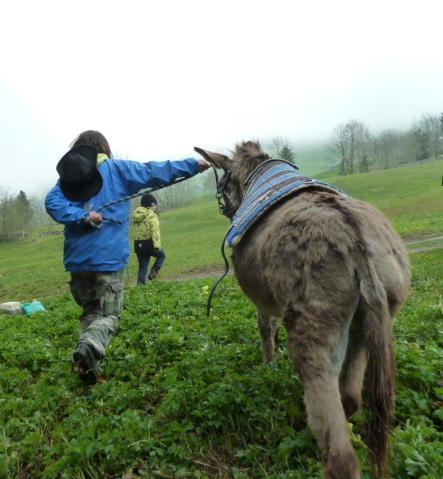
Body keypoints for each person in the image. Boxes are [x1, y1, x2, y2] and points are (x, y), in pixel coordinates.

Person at [45, 130, 210, 384]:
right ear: (103, 148)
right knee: (110, 315)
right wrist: (191, 165)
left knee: (91, 312)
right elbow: (152, 171)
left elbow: (52, 203)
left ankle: (87, 366)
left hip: (77, 262)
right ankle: (89, 346)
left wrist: (79, 216)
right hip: (108, 260)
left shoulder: (69, 177)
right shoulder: (116, 168)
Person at [132, 193, 165, 284]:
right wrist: (157, 245)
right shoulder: (152, 215)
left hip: (138, 245)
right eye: (154, 204)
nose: (155, 206)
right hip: (149, 243)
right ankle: (154, 271)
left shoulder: (136, 215)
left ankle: (140, 286)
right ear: (151, 204)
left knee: (143, 266)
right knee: (162, 255)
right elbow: (155, 231)